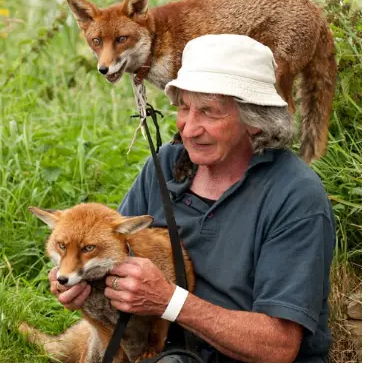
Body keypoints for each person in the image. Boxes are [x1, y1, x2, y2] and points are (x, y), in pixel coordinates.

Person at [48, 34, 334, 362]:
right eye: (184, 107)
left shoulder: (295, 197)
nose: (189, 128)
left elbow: (278, 346)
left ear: (255, 122)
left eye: (209, 112)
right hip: (160, 348)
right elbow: (112, 251)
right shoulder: (168, 164)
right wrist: (74, 281)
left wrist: (170, 302)